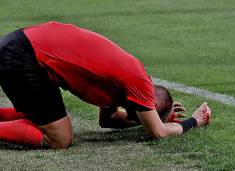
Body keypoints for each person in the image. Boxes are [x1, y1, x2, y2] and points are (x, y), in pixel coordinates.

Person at [0, 21, 211, 149]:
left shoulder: (121, 88)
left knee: (43, 119)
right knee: (59, 137)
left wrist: (153, 119)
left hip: (24, 48)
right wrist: (194, 121)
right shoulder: (137, 81)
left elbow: (107, 121)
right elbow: (158, 133)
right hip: (25, 55)